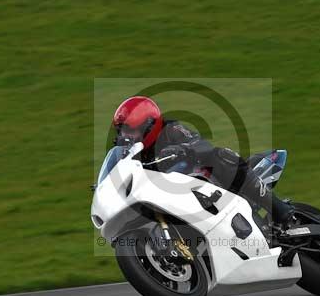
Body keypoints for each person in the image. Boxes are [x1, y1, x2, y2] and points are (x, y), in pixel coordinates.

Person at [111, 95, 294, 229]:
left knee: (222, 155)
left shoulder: (171, 129)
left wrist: (183, 149)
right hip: (176, 201)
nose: (124, 136)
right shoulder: (134, 155)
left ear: (148, 125)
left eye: (128, 130)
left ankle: (278, 208)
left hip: (208, 182)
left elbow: (201, 144)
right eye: (121, 131)